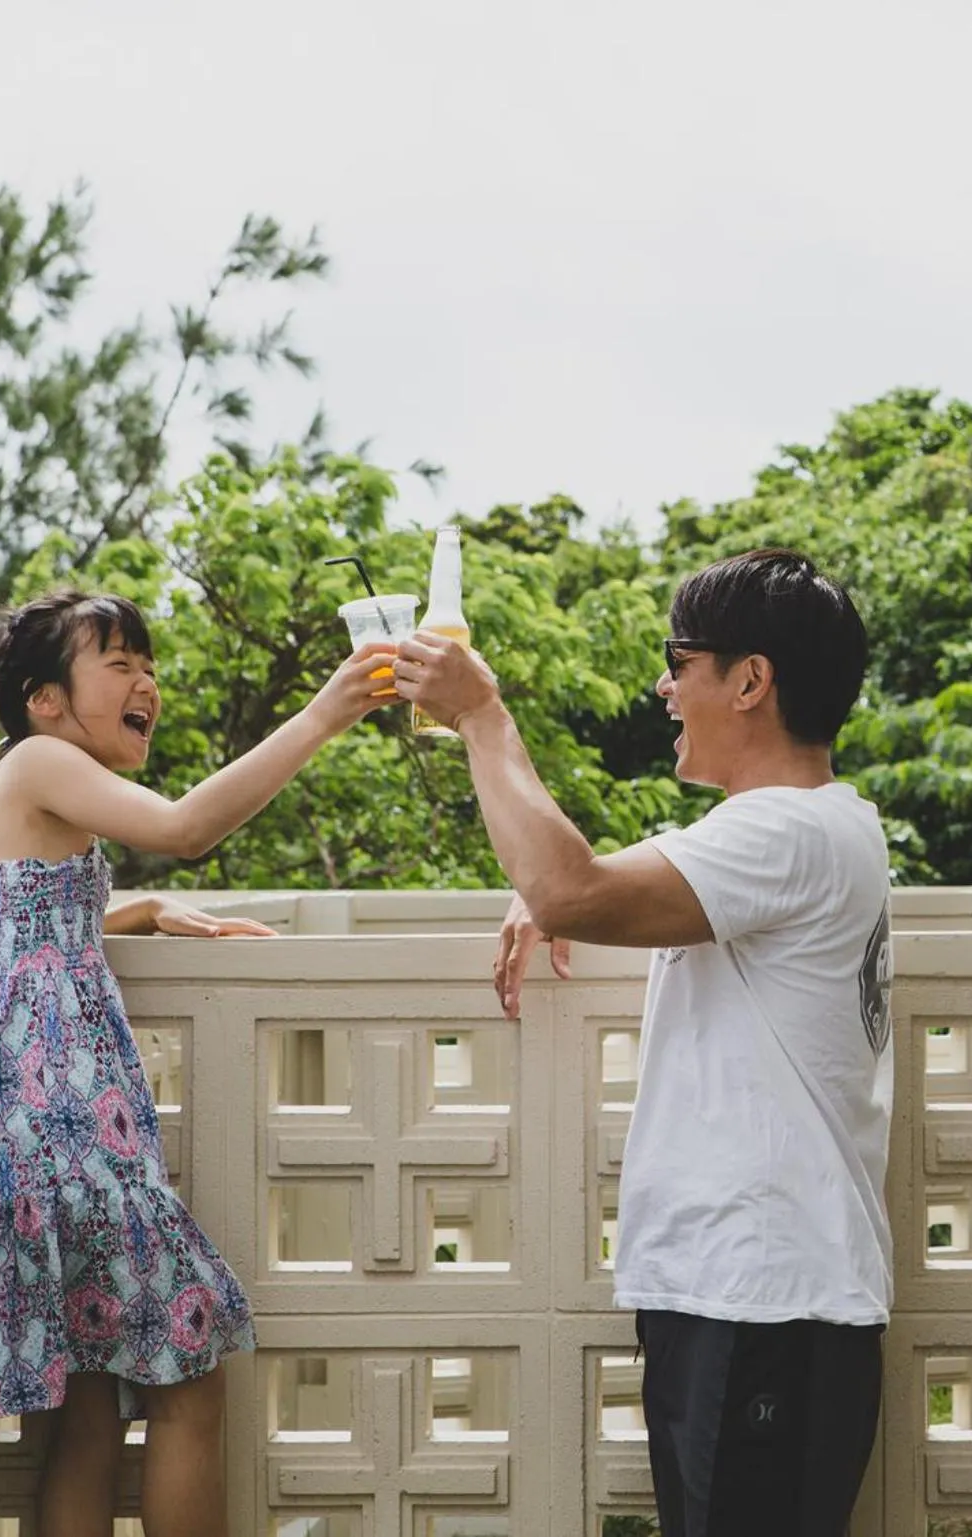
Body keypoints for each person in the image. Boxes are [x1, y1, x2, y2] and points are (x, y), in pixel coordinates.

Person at [394, 548, 894, 1537]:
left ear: (751, 680)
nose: (665, 686)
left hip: (763, 1302)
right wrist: (547, 890)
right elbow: (583, 882)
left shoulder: (786, 833)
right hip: (761, 1297)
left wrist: (483, 716)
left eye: (681, 659)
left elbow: (573, 886)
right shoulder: (821, 828)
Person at [0, 589, 395, 1537]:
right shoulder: (41, 759)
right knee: (189, 1372)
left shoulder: (28, 773)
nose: (146, 682)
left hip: (35, 1121)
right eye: (118, 664)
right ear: (45, 699)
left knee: (84, 1411)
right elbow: (187, 827)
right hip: (64, 1121)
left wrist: (137, 912)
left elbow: (7, 920)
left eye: (147, 665)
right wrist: (328, 709)